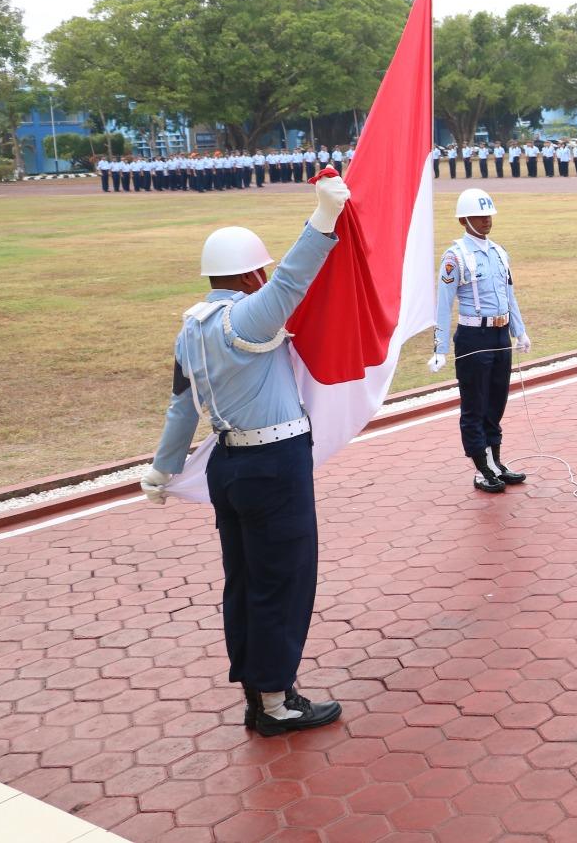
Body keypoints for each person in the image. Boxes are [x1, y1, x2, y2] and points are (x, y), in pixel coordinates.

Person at [138, 175, 352, 736]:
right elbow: (293, 280)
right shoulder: (246, 318)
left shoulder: (191, 328)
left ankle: (259, 692)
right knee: (284, 579)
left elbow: (182, 409)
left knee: (246, 579)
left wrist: (162, 467)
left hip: (228, 468)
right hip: (274, 465)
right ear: (250, 273)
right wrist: (324, 218)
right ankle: (278, 703)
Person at [430, 188, 531, 494]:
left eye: (488, 215)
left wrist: (520, 330)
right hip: (474, 337)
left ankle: (495, 460)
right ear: (463, 220)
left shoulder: (500, 252)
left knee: (497, 400)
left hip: (500, 334)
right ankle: (481, 467)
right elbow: (443, 304)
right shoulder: (455, 257)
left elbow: (508, 295)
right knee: (475, 403)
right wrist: (441, 349)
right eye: (478, 216)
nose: (486, 221)